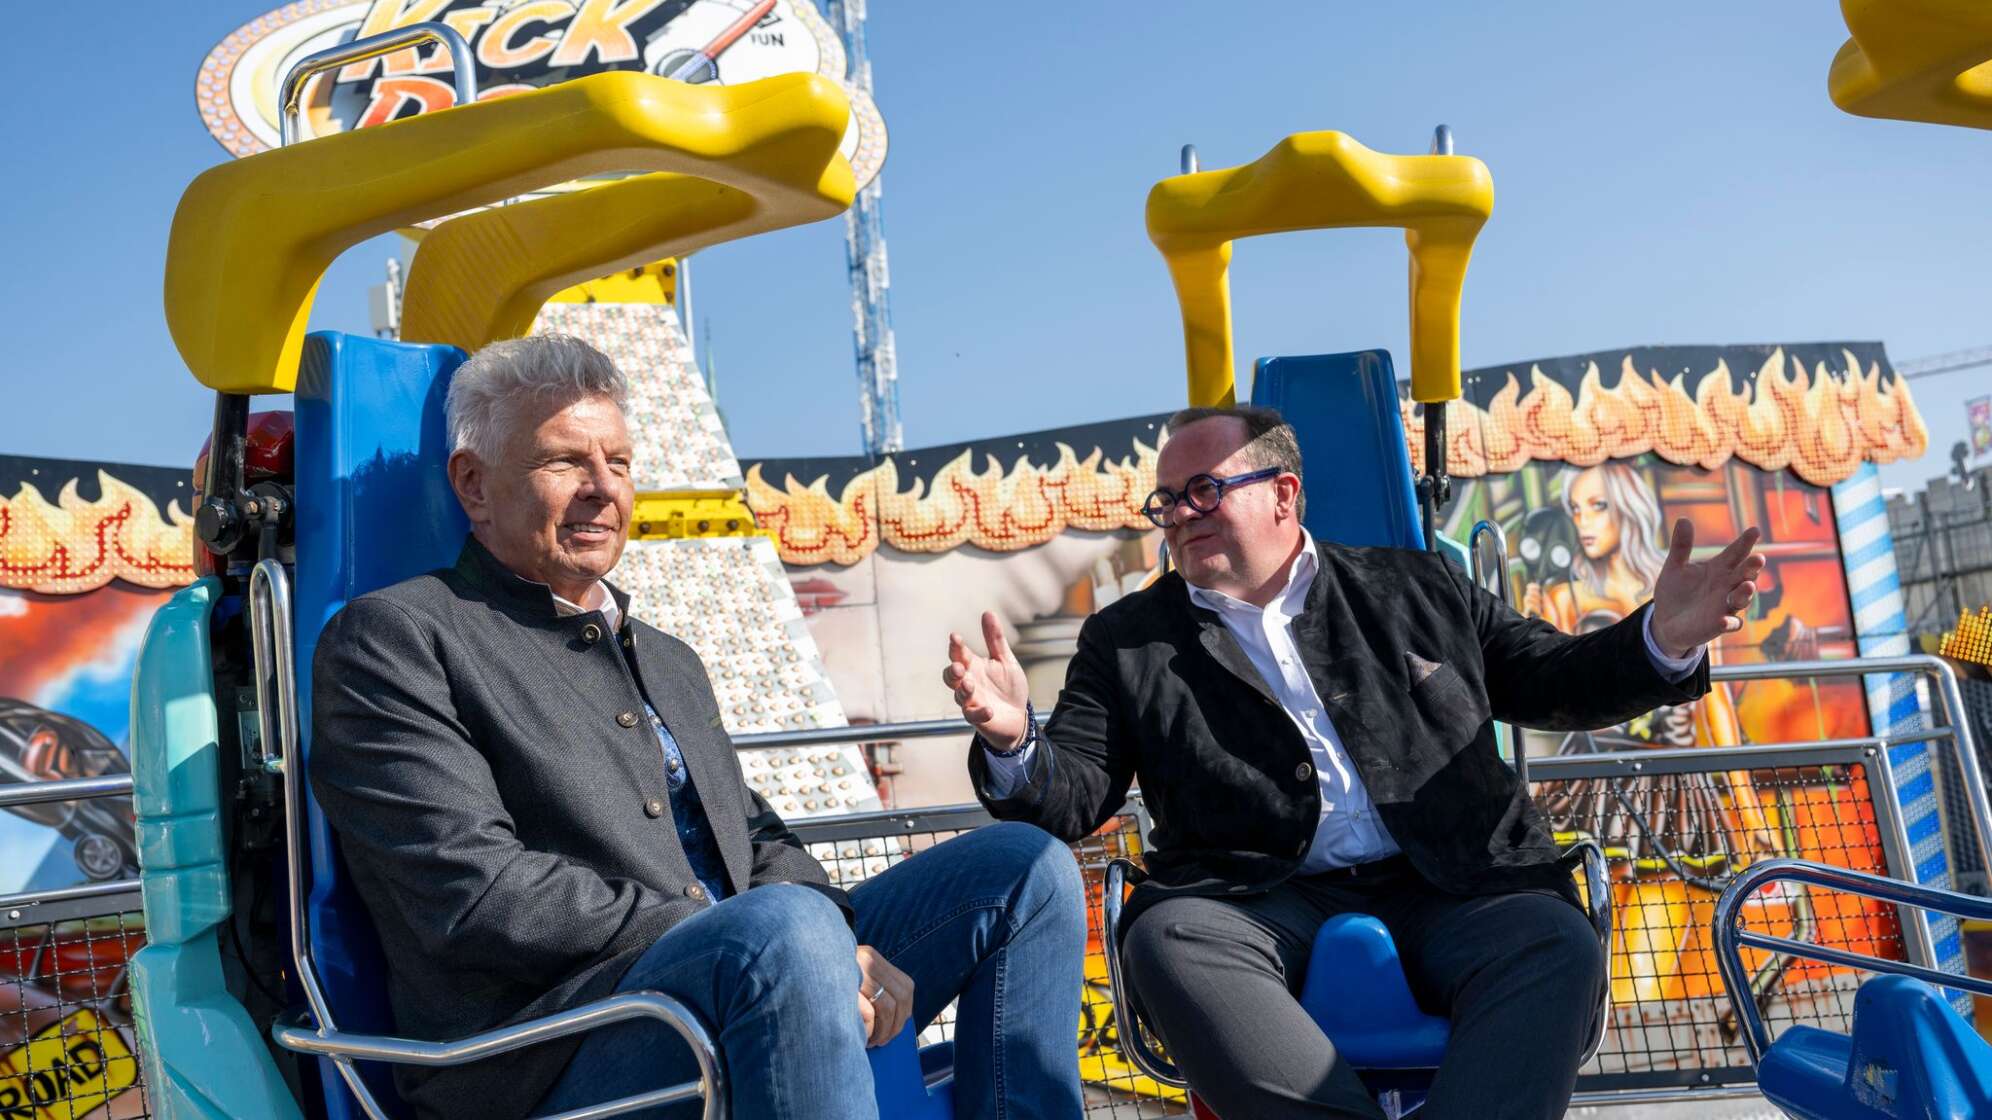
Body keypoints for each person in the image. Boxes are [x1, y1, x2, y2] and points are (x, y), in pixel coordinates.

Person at [310, 335, 1086, 1120]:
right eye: (564, 462)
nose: (602, 489)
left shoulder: (669, 657)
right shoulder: (396, 639)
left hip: (747, 967)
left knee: (1025, 870)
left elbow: (755, 837)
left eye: (619, 462)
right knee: (783, 934)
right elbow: (474, 894)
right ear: (473, 485)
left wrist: (840, 936)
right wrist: (759, 933)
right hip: (547, 1052)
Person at [940, 406, 1764, 1120]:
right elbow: (1075, 792)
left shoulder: (1418, 588)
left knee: (1555, 944)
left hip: (1453, 879)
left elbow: (1555, 680)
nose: (1180, 514)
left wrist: (1664, 636)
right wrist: (1015, 742)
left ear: (1282, 494)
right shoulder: (1126, 643)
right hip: (1252, 896)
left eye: (1204, 491)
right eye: (1167, 500)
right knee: (1166, 939)